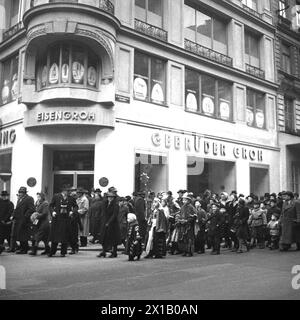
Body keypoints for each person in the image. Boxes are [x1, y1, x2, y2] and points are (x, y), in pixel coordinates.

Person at [49, 186, 78, 257]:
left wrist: (72, 212)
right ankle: (52, 252)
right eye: (67, 191)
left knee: (64, 237)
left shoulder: (71, 198)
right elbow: (51, 206)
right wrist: (52, 212)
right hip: (57, 219)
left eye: (69, 191)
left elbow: (76, 206)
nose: (69, 193)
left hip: (66, 219)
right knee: (55, 236)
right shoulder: (56, 196)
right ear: (63, 191)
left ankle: (63, 252)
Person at [97, 191, 121, 258]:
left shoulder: (116, 205)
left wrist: (109, 222)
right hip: (104, 223)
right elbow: (103, 213)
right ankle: (103, 251)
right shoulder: (105, 203)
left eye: (111, 197)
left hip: (113, 224)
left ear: (114, 198)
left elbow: (114, 215)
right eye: (109, 197)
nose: (110, 198)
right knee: (103, 238)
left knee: (113, 239)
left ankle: (114, 252)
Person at [12, 187, 35, 254]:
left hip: (25, 220)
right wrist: (13, 215)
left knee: (24, 235)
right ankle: (22, 248)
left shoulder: (29, 198)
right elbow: (17, 208)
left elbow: (31, 209)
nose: (20, 193)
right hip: (18, 219)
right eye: (20, 192)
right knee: (20, 235)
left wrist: (25, 216)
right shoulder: (19, 199)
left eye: (21, 192)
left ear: (25, 193)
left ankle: (24, 249)